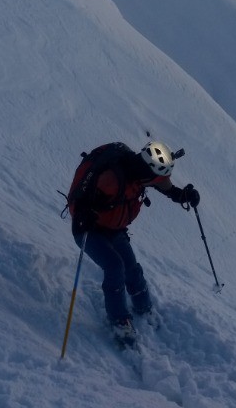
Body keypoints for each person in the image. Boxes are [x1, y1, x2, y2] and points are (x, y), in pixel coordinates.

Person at [67, 139, 200, 345]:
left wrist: (181, 195)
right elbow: (84, 199)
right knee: (114, 267)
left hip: (114, 229)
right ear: (149, 172)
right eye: (157, 176)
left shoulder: (141, 171)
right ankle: (120, 322)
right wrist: (84, 215)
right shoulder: (112, 180)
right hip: (89, 231)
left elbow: (163, 184)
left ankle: (144, 307)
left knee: (132, 269)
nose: (160, 180)